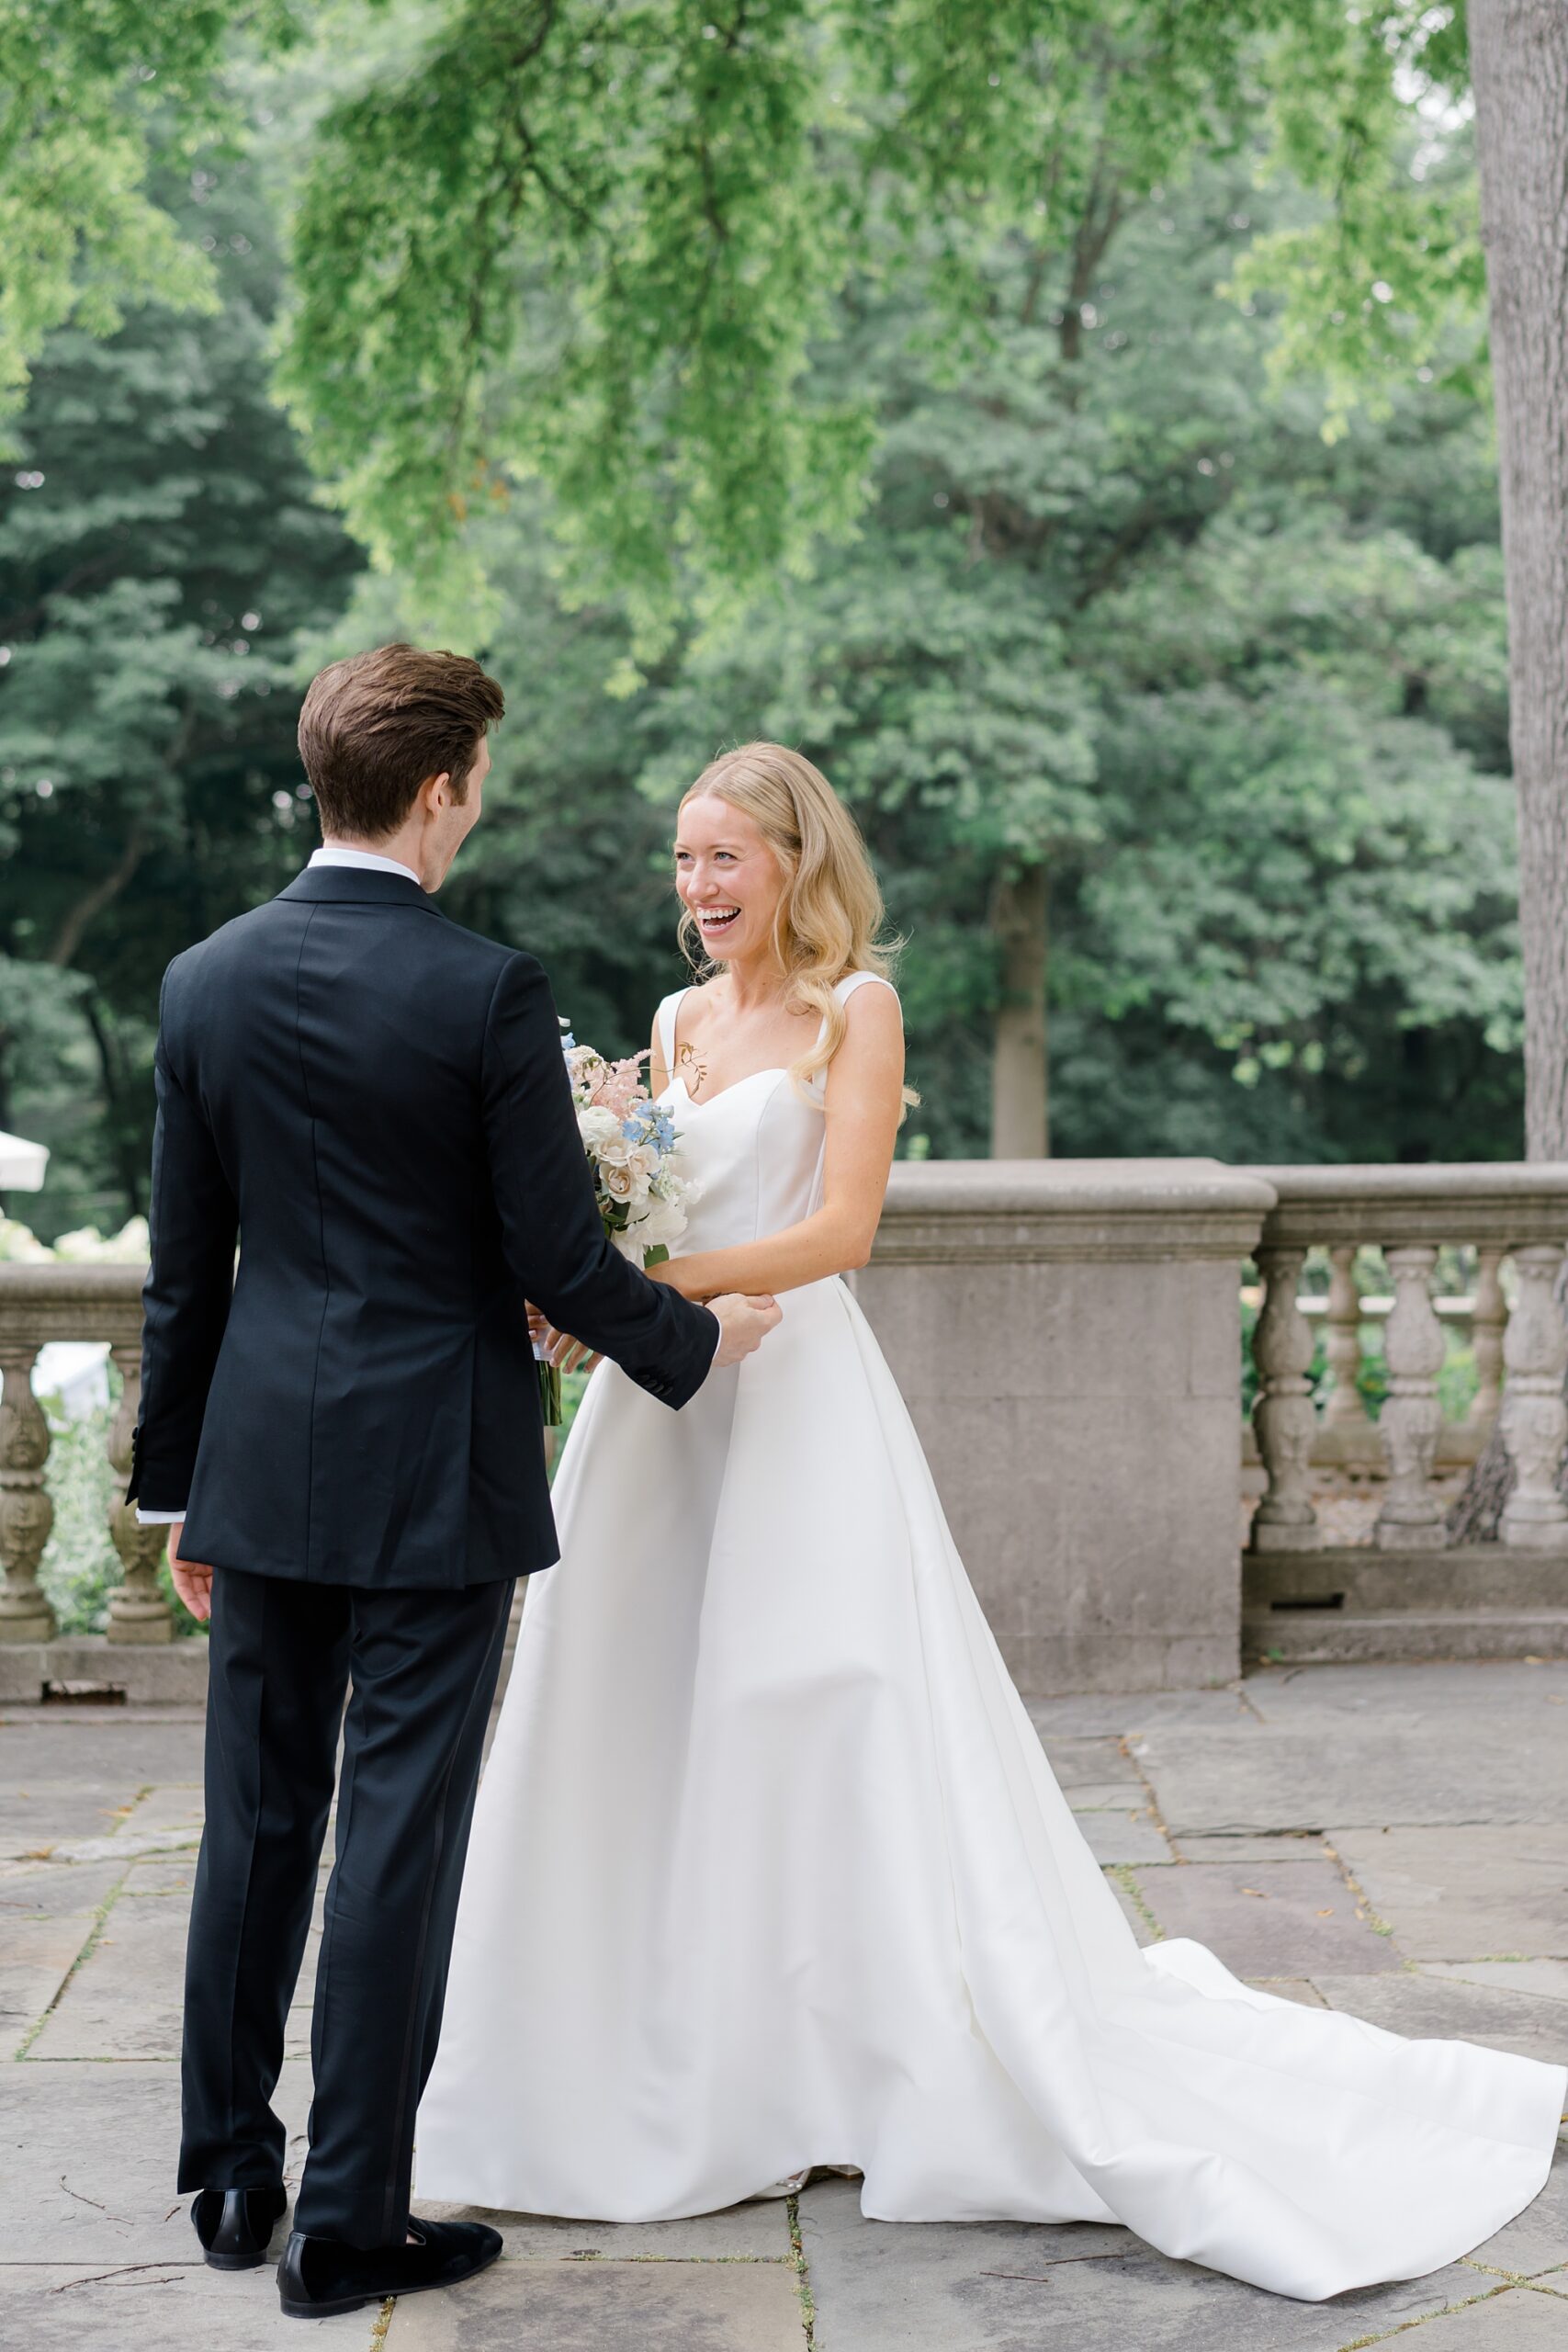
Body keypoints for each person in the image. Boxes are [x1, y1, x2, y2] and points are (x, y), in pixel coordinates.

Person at [416, 741, 1566, 2304]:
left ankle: (850, 2054)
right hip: (664, 1414)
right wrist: (619, 1296)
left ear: (794, 859)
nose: (697, 894)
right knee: (631, 1713)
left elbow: (840, 1228)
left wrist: (634, 1295)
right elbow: (650, 1192)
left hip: (793, 1394)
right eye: (682, 864)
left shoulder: (854, 1013)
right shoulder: (678, 1022)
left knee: (817, 1711)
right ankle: (674, 2045)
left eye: (723, 861)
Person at [128, 646, 780, 2322]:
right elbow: (553, 1250)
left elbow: (185, 1277)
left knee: (254, 1828)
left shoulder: (202, 977)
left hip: (262, 1471)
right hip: (433, 1471)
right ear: (440, 790)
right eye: (477, 780)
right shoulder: (484, 989)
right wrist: (702, 1347)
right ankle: (346, 2221)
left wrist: (171, 1490)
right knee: (397, 1836)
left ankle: (224, 2173)